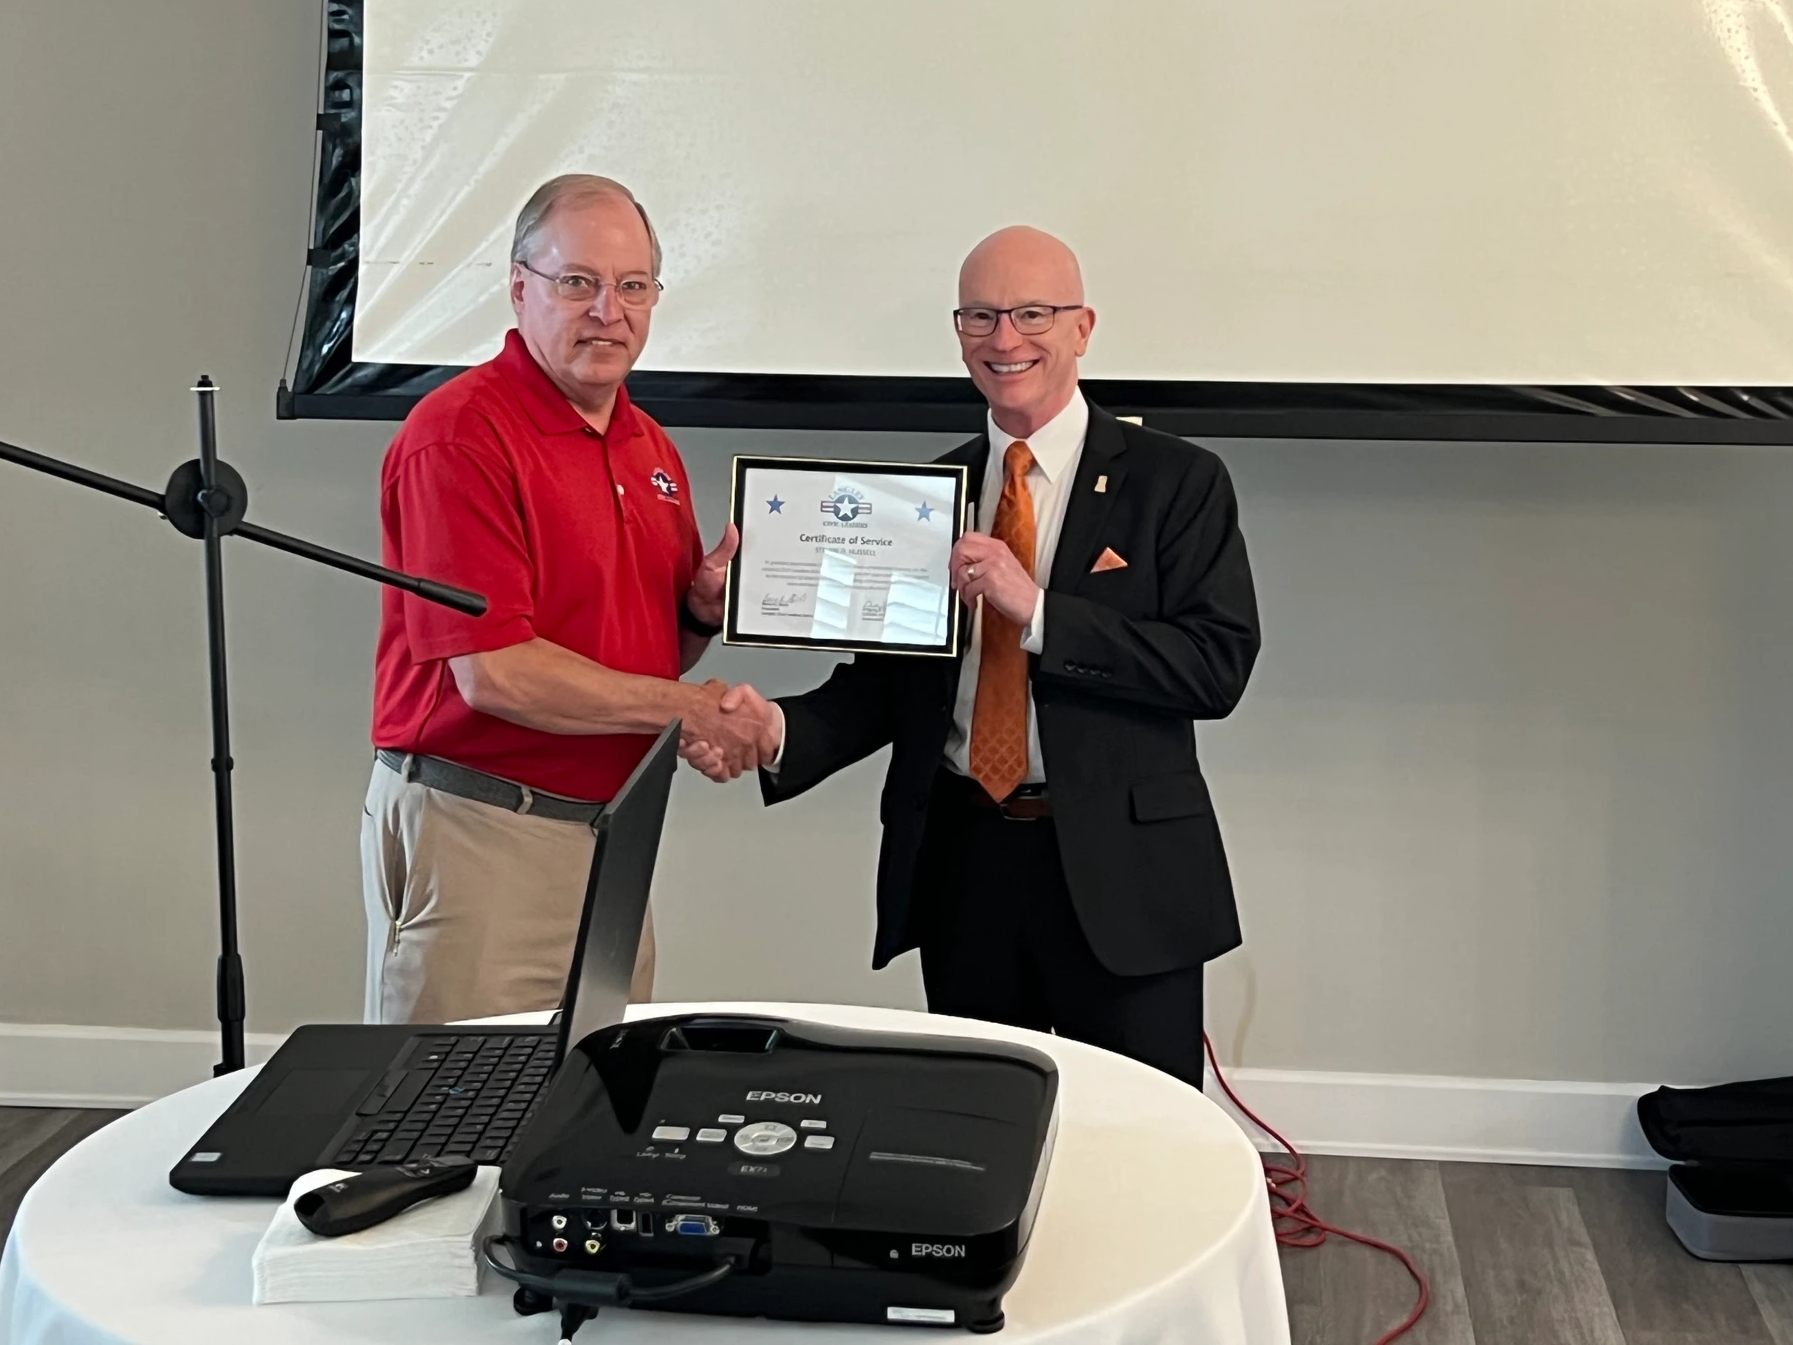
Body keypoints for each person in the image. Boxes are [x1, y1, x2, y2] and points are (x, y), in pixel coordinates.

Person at [683, 226, 1259, 1085]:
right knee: (978, 1128)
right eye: (979, 317)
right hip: (963, 863)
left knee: (1141, 1137)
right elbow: (886, 690)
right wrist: (774, 729)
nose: (1004, 340)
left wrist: (1036, 611)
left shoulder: (1177, 482)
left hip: (1121, 875)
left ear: (1082, 327)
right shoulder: (926, 497)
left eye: (1032, 313)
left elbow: (1214, 666)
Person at [364, 173, 771, 1024]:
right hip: (484, 832)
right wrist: (690, 710)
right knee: (445, 1125)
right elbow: (495, 674)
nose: (607, 311)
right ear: (519, 287)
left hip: (612, 840)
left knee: (588, 1118)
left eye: (632, 287)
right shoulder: (459, 436)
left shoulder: (645, 442)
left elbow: (644, 651)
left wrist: (695, 611)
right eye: (577, 282)